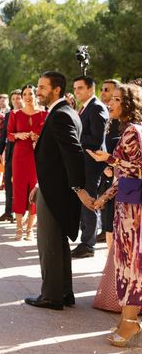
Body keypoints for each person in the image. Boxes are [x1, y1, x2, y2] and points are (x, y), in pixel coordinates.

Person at [25, 71, 90, 311]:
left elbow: (73, 154)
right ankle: (64, 292)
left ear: (57, 90)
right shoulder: (63, 113)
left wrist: (77, 187)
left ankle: (52, 296)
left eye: (42, 88)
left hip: (57, 192)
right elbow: (57, 158)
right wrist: (40, 184)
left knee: (49, 243)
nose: (38, 91)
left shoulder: (61, 115)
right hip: (52, 187)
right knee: (58, 243)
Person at [89, 83, 142, 347]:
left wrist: (109, 159)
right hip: (126, 205)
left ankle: (131, 321)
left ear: (129, 104)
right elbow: (123, 178)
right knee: (125, 262)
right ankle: (127, 319)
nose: (111, 102)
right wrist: (102, 199)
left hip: (133, 211)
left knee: (130, 264)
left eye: (118, 99)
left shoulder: (133, 130)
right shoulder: (128, 130)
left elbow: (136, 168)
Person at [72, 76, 109, 258]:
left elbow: (96, 140)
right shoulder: (85, 107)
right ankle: (85, 240)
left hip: (92, 163)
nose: (76, 91)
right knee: (84, 201)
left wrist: (73, 137)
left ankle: (88, 244)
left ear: (90, 89)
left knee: (89, 201)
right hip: (84, 162)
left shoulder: (96, 108)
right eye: (75, 88)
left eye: (80, 88)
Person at [6, 85, 47, 240]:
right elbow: (9, 135)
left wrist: (39, 138)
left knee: (34, 191)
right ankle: (18, 228)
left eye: (31, 93)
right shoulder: (14, 114)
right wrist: (18, 135)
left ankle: (30, 229)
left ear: (36, 95)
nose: (28, 96)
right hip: (20, 156)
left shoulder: (44, 114)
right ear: (21, 97)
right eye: (25, 94)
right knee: (19, 190)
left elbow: (49, 135)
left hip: (37, 157)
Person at [97, 79, 121, 245]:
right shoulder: (107, 115)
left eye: (107, 90)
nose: (103, 93)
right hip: (107, 175)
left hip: (121, 180)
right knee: (107, 222)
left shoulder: (128, 124)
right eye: (102, 89)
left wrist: (110, 163)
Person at [0, 89, 23, 223]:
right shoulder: (9, 115)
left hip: (25, 156)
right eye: (13, 99)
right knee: (8, 185)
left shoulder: (29, 113)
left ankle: (22, 213)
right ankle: (8, 212)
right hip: (11, 155)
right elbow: (3, 136)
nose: (16, 101)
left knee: (22, 185)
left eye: (18, 98)